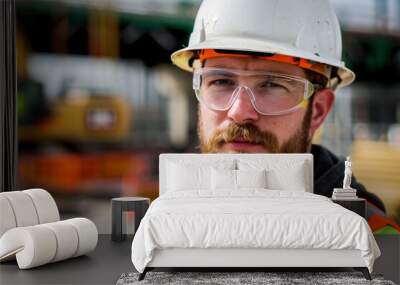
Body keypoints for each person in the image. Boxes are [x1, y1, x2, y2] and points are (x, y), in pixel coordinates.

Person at [170, 0, 399, 233]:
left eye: (271, 85)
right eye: (221, 82)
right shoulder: (167, 225)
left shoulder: (373, 241)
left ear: (318, 110)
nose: (239, 112)